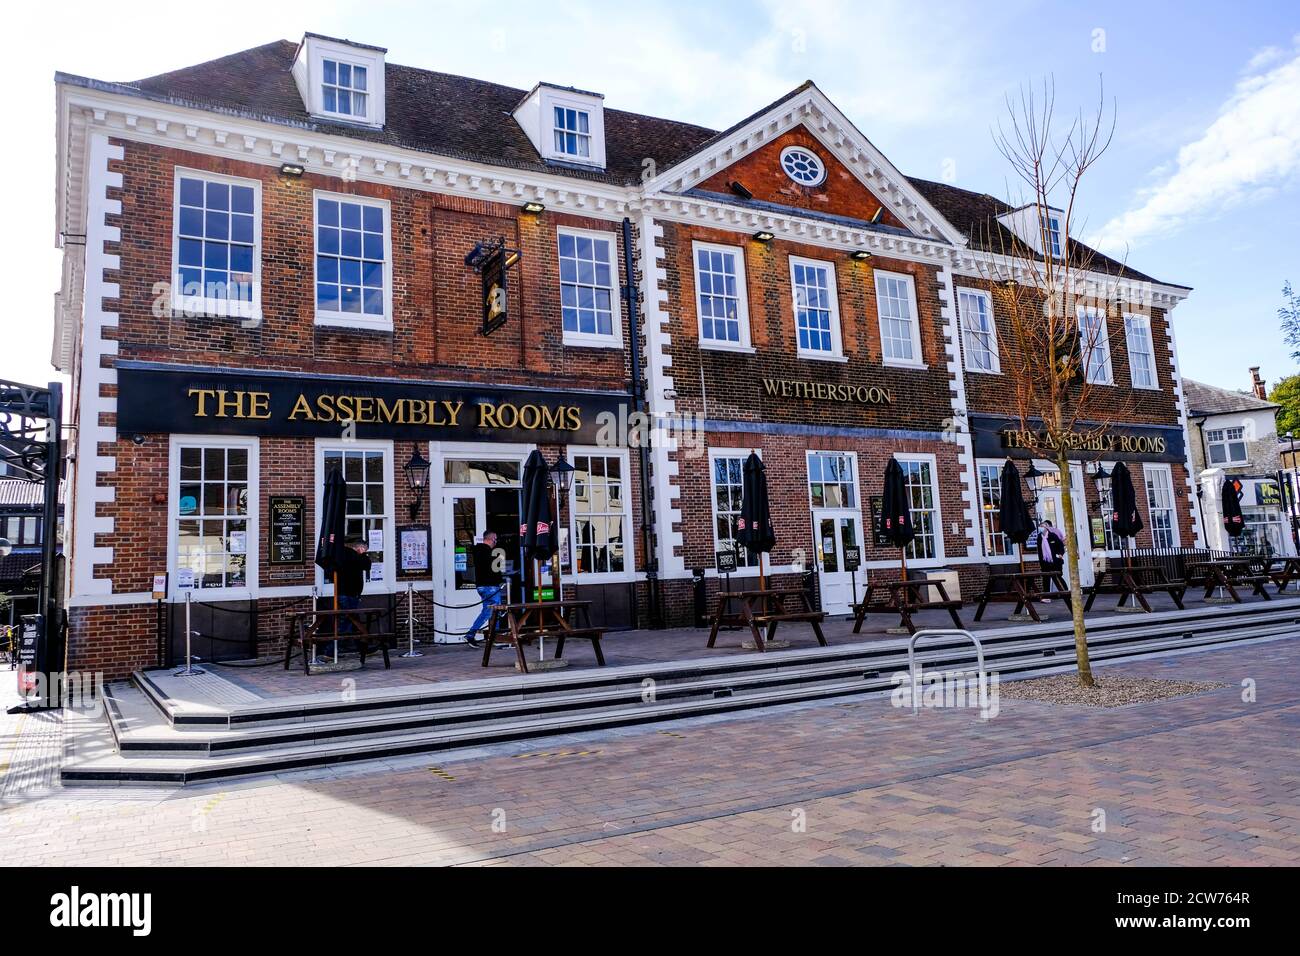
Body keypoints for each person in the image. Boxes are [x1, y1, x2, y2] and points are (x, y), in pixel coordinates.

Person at [462, 531, 505, 648]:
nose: (496, 542)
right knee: (493, 612)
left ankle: (490, 637)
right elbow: (495, 570)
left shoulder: (477, 551)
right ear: (491, 539)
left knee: (488, 611)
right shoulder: (490, 553)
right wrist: (501, 579)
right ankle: (478, 635)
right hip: (490, 586)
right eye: (495, 539)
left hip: (481, 586)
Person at [332, 538, 372, 649]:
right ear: (360, 548)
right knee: (347, 621)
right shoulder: (354, 556)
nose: (366, 552)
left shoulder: (345, 555)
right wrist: (363, 554)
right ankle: (331, 650)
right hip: (349, 594)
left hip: (345, 593)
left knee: (351, 621)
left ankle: (361, 646)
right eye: (365, 550)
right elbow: (367, 565)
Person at [1037, 520, 1066, 601]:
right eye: (1040, 526)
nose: (1041, 528)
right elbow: (1040, 551)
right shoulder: (1039, 538)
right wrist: (1041, 562)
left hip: (1055, 561)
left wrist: (1060, 554)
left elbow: (1060, 546)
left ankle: (1066, 593)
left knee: (1058, 578)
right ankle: (1046, 597)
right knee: (1046, 579)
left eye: (1042, 526)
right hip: (1045, 562)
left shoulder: (1053, 536)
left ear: (1047, 527)